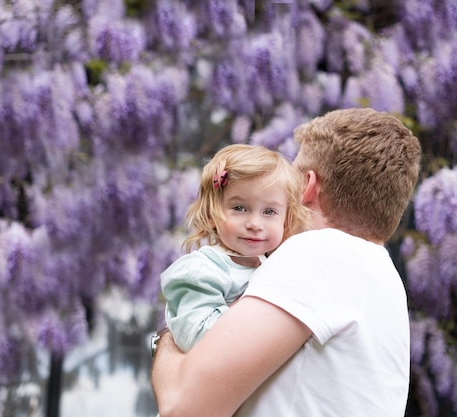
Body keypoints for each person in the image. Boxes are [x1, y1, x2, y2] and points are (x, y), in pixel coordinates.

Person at [151, 108, 422, 417]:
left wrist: (166, 341)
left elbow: (182, 408)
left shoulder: (318, 253)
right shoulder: (384, 280)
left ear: (307, 185)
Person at [161, 144, 311, 353]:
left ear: (286, 219)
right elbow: (198, 340)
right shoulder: (202, 271)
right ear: (213, 214)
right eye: (239, 208)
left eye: (269, 211)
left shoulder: (275, 266)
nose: (255, 223)